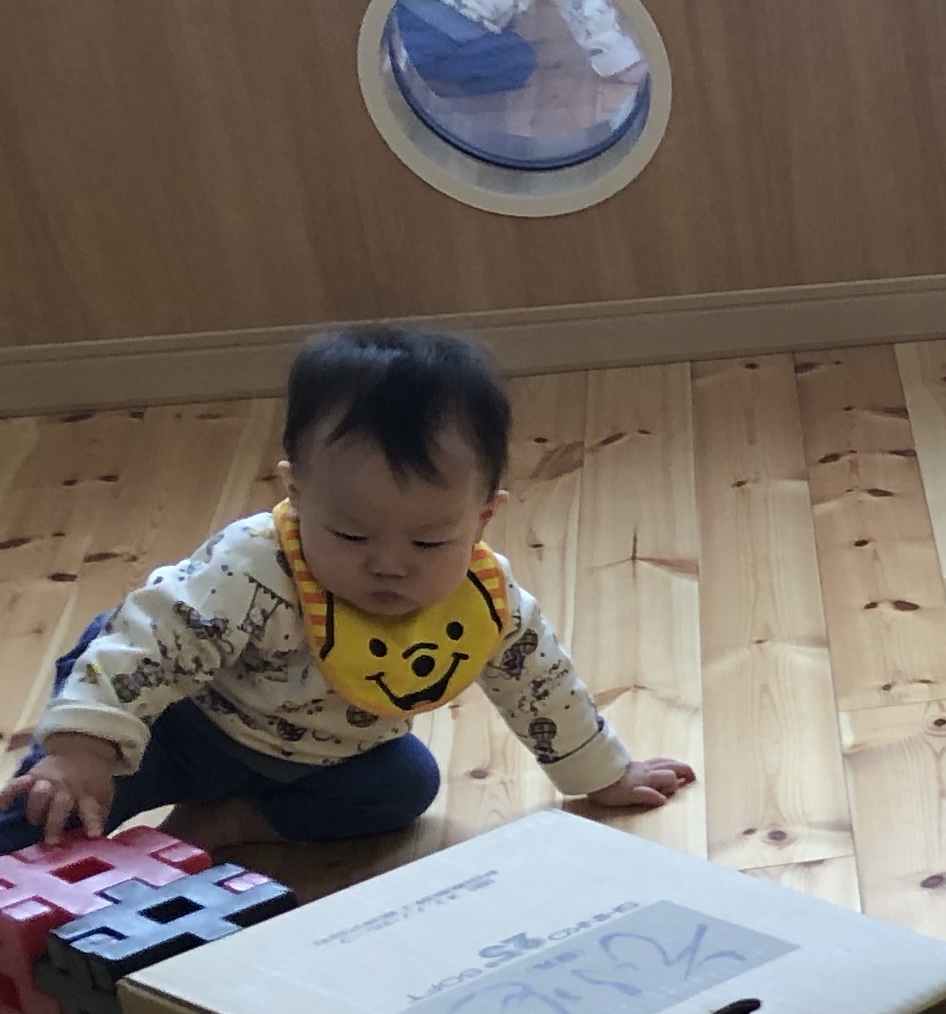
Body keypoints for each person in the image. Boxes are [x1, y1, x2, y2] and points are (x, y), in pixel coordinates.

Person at [1, 325, 695, 854]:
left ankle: (233, 821)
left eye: (429, 542)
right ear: (297, 493)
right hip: (174, 722)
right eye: (352, 536)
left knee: (405, 785)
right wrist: (82, 751)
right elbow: (149, 643)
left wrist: (603, 774)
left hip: (319, 757)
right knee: (50, 818)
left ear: (483, 517)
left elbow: (540, 684)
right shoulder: (251, 568)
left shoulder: (485, 600)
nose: (389, 565)